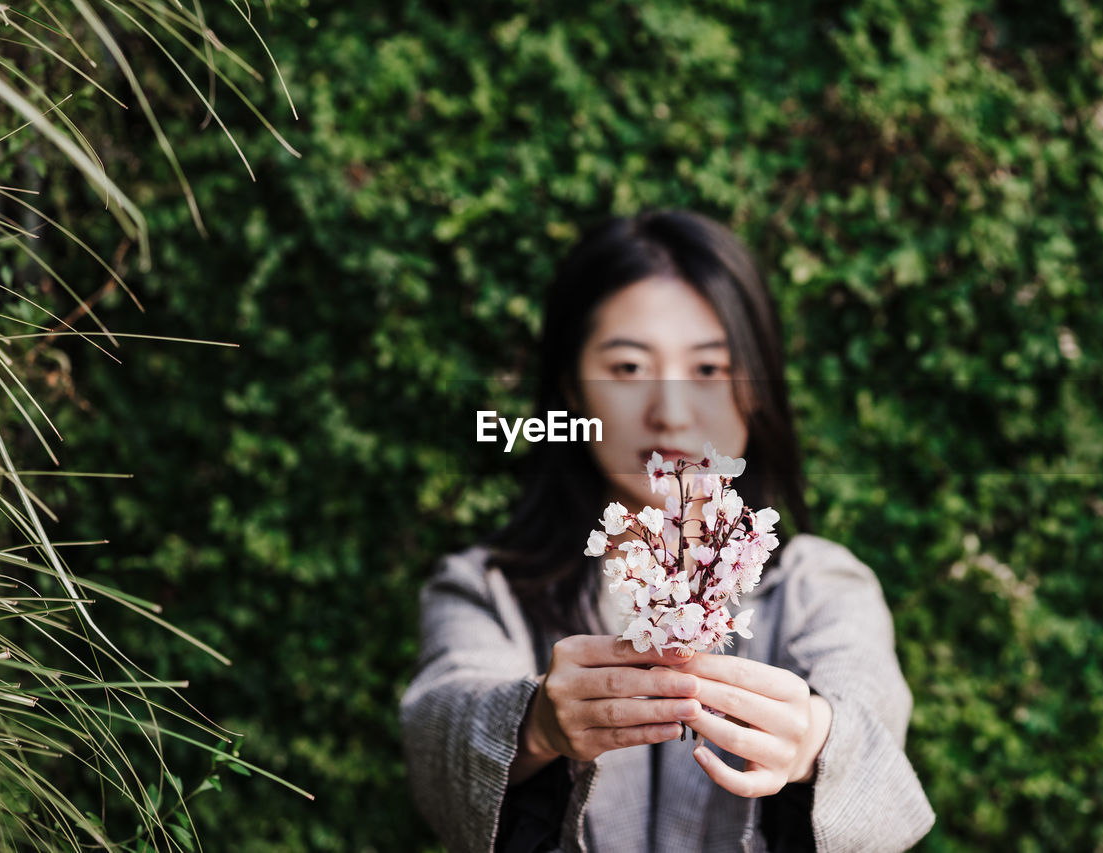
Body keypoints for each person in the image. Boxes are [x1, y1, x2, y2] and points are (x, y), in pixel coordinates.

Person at [400, 210, 935, 852]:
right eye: (628, 369)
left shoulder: (820, 585)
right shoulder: (488, 589)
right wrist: (536, 725)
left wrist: (816, 741)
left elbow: (868, 714)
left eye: (708, 370)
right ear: (572, 389)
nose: (671, 414)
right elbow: (440, 730)